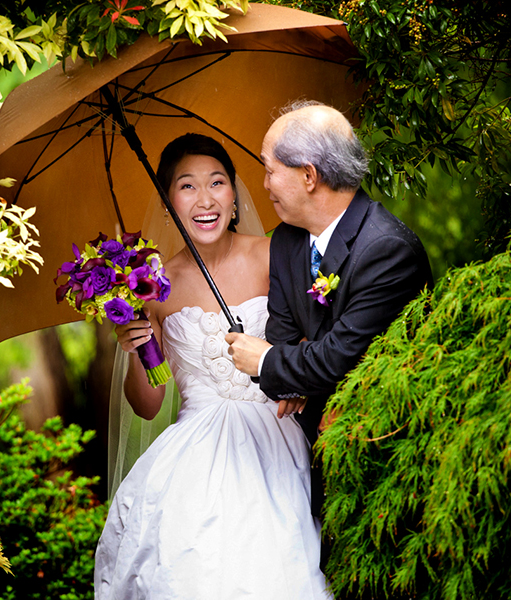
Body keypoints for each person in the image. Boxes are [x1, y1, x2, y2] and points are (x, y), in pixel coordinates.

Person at [94, 133, 332, 599]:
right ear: (168, 204)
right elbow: (150, 401)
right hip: (193, 456)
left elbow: (316, 336)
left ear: (235, 194)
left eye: (216, 183)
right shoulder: (151, 286)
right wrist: (139, 347)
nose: (205, 199)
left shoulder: (275, 255)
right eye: (186, 186)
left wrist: (294, 371)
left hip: (276, 437)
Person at [225, 101, 433, 514]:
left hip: (380, 457)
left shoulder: (386, 249)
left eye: (269, 170)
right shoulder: (287, 240)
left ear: (308, 176)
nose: (263, 185)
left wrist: (267, 360)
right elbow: (285, 340)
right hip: (308, 449)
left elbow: (337, 359)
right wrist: (293, 365)